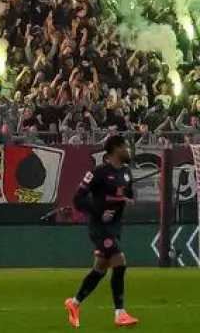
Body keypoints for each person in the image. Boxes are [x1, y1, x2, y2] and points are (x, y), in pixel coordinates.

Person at [65, 134, 138, 328]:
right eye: (126, 147)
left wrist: (129, 201)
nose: (128, 151)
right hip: (99, 227)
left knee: (100, 270)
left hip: (115, 226)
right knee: (120, 263)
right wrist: (98, 212)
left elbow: (128, 194)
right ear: (116, 149)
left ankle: (74, 303)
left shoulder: (126, 172)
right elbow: (78, 199)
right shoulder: (98, 173)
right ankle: (120, 313)